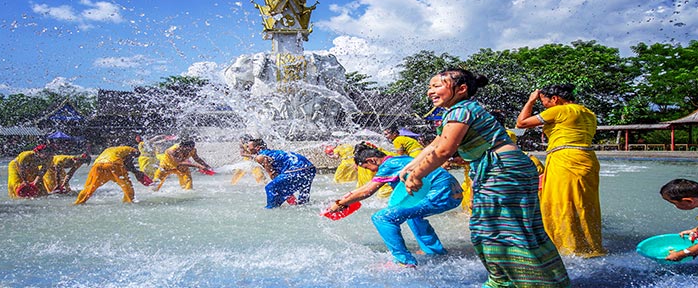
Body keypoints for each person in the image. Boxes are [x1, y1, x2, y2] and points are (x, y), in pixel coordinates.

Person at [403, 68, 570, 287]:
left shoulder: (460, 110)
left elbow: (444, 150)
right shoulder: (458, 111)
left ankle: (515, 282)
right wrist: (409, 167)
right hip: (506, 169)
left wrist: (417, 175)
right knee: (509, 228)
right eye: (429, 87)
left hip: (502, 170)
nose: (429, 92)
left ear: (461, 89)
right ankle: (526, 280)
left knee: (496, 229)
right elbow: (436, 144)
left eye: (436, 86)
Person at [326, 145, 462, 268]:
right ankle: (433, 251)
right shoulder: (399, 160)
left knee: (382, 217)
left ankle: (404, 261)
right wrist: (343, 200)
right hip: (453, 194)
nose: (371, 171)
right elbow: (365, 188)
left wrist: (340, 204)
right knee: (412, 214)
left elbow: (367, 191)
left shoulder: (388, 166)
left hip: (439, 195)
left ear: (372, 160)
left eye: (367, 167)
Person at [516, 83, 606, 257]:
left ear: (555, 99)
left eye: (544, 102)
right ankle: (591, 245)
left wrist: (531, 101)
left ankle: (567, 247)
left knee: (562, 202)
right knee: (585, 203)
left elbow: (521, 123)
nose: (544, 106)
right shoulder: (589, 113)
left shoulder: (559, 110)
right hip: (587, 159)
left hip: (565, 159)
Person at [241, 138, 315, 209]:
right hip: (309, 168)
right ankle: (299, 205)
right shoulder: (272, 153)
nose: (247, 149)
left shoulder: (261, 157)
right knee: (303, 202)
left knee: (270, 188)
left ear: (257, 148)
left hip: (297, 169)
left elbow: (273, 175)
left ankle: (270, 211)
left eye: (248, 147)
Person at [74, 146, 151, 205]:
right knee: (127, 187)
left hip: (97, 166)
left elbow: (126, 163)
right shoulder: (132, 150)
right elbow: (129, 163)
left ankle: (78, 203)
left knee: (89, 188)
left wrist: (135, 172)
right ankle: (129, 203)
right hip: (114, 164)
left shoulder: (112, 150)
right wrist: (136, 172)